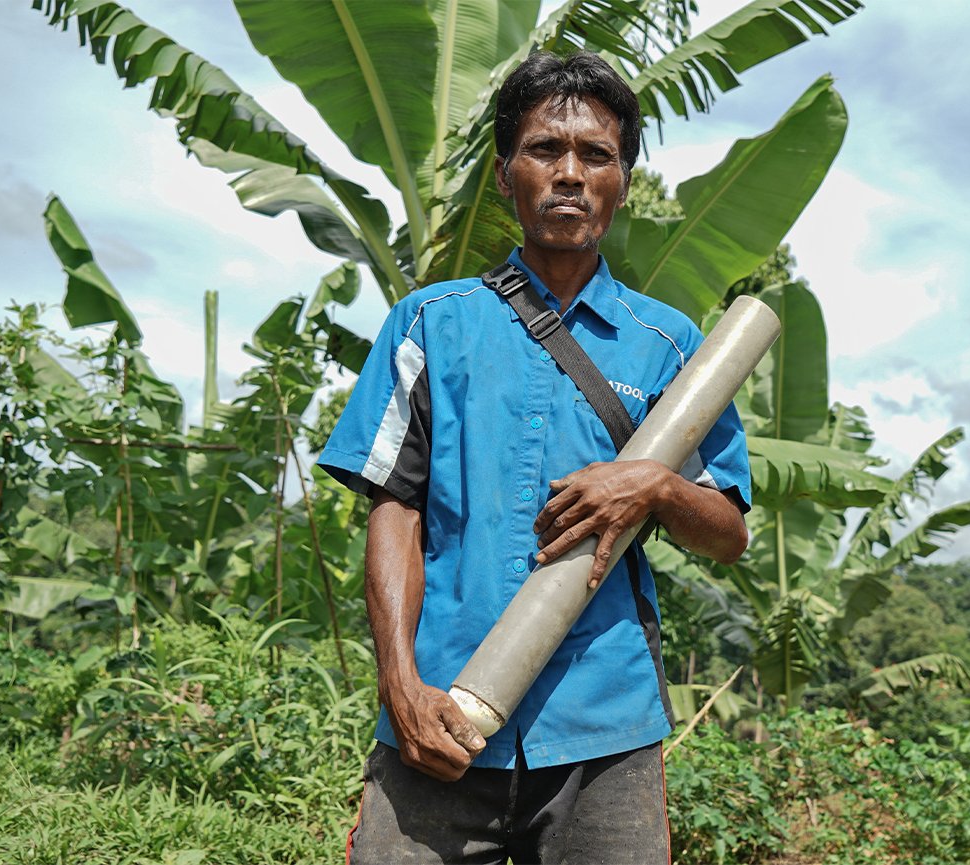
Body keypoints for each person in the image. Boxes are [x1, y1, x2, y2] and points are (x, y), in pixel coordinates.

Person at [318, 49, 752, 864]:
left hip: (606, 727)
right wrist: (401, 689)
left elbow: (727, 532)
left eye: (597, 155)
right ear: (505, 170)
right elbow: (394, 510)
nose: (570, 174)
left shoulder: (670, 347)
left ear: (623, 179)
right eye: (545, 150)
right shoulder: (428, 323)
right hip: (441, 716)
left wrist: (654, 483)